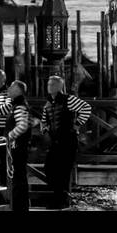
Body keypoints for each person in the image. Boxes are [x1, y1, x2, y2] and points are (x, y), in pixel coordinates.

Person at [40, 75, 91, 209]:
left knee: (63, 173)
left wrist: (77, 124)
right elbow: (44, 120)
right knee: (49, 169)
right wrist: (44, 129)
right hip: (54, 142)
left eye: (52, 84)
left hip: (68, 140)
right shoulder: (48, 102)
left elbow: (86, 108)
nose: (48, 86)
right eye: (48, 84)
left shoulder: (69, 99)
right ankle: (60, 199)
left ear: (59, 86)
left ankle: (60, 201)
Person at [3, 80, 32, 212]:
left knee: (17, 178)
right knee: (18, 178)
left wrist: (9, 136)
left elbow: (22, 126)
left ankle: (19, 206)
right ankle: (20, 206)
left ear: (17, 91)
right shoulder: (17, 105)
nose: (8, 89)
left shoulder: (19, 106)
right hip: (17, 148)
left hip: (17, 148)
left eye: (11, 87)